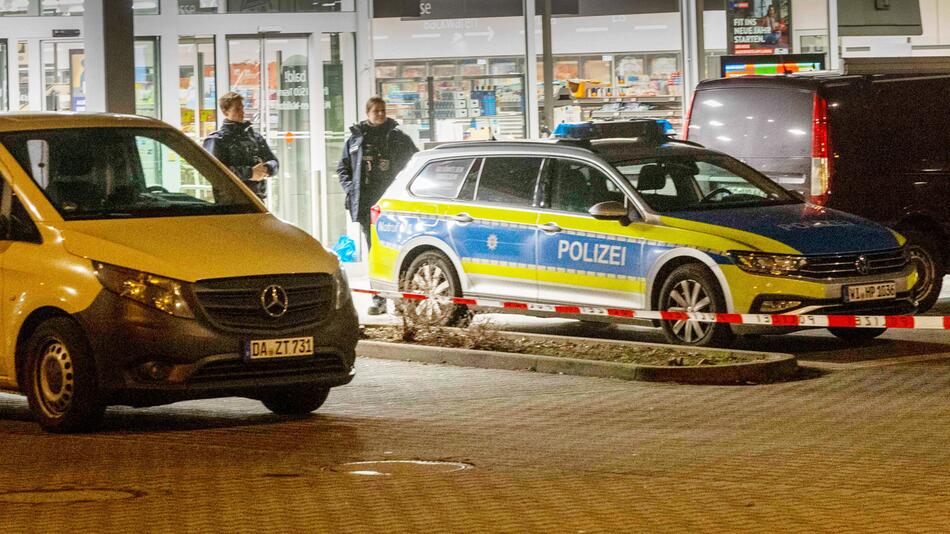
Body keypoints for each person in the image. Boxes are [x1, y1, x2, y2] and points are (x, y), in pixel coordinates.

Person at [338, 96, 418, 315]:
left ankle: (403, 300)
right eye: (376, 111)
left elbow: (416, 162)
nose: (381, 114)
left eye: (383, 110)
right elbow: (343, 168)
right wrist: (351, 189)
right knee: (376, 253)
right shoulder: (355, 139)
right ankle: (379, 298)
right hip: (368, 207)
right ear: (368, 113)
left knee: (400, 251)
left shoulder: (398, 138)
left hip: (395, 206)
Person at [203, 92, 278, 200]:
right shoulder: (216, 140)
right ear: (225, 111)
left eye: (242, 107)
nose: (242, 112)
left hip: (258, 200)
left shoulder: (255, 137)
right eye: (237, 109)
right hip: (231, 203)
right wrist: (250, 173)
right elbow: (215, 173)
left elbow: (273, 161)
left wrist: (267, 168)